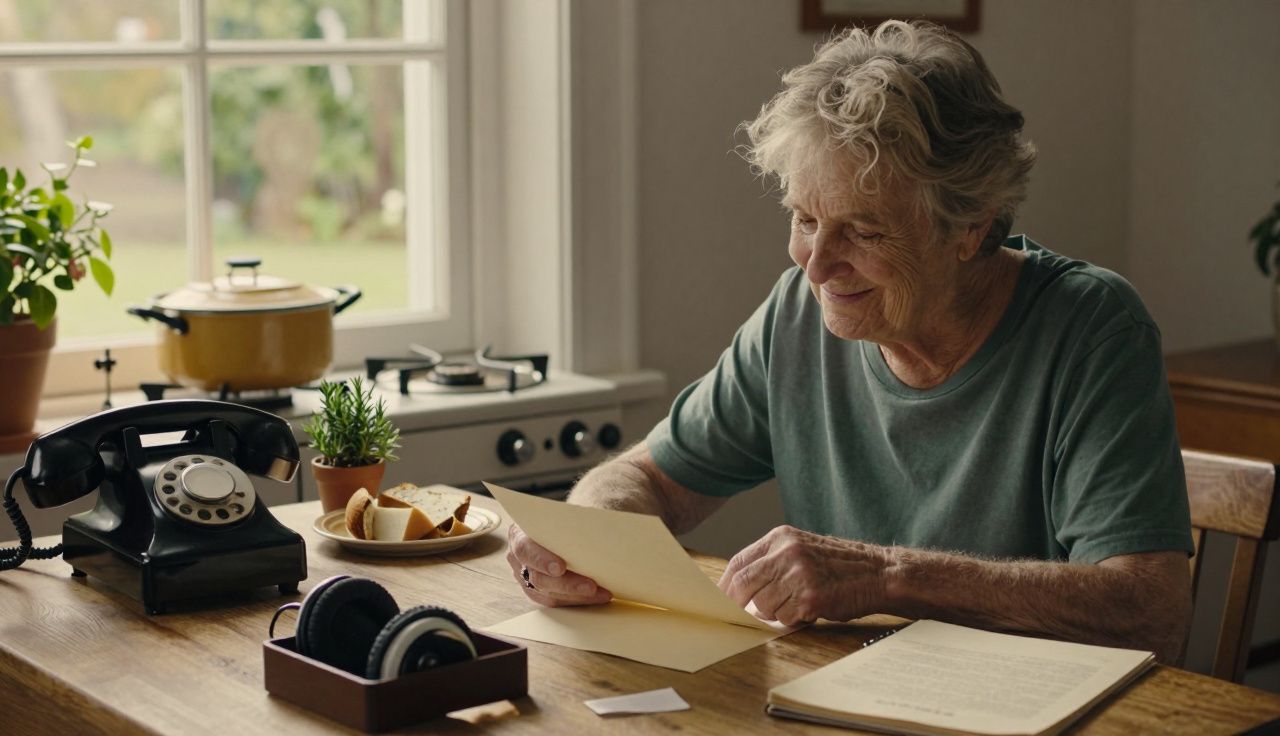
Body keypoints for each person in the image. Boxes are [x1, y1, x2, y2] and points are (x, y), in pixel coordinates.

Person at [505, 20, 1194, 664]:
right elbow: (644, 477)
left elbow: (1150, 607)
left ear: (970, 228)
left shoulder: (1093, 330)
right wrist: (583, 541)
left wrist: (888, 577)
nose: (816, 263)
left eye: (862, 232)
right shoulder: (797, 317)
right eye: (805, 217)